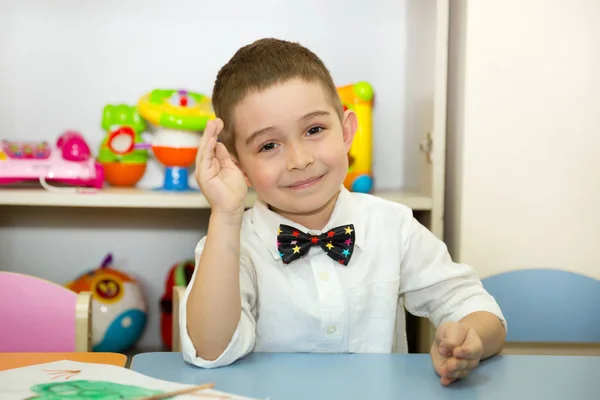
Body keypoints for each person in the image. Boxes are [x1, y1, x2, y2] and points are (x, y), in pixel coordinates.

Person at [180, 38, 506, 386]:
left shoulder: (392, 225)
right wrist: (226, 215)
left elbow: (476, 308)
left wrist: (470, 336)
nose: (300, 160)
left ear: (347, 131)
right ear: (238, 166)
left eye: (314, 130)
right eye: (269, 145)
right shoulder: (229, 241)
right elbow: (210, 351)